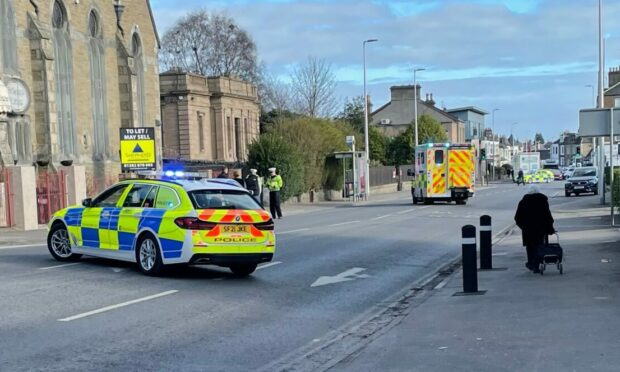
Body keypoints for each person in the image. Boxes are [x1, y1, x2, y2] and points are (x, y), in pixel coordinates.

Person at [514, 185, 555, 273]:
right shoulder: (543, 201)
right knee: (539, 246)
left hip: (527, 230)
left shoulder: (523, 202)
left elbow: (517, 218)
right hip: (540, 229)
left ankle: (531, 263)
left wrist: (523, 227)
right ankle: (537, 264)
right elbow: (547, 216)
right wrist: (549, 228)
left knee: (530, 247)